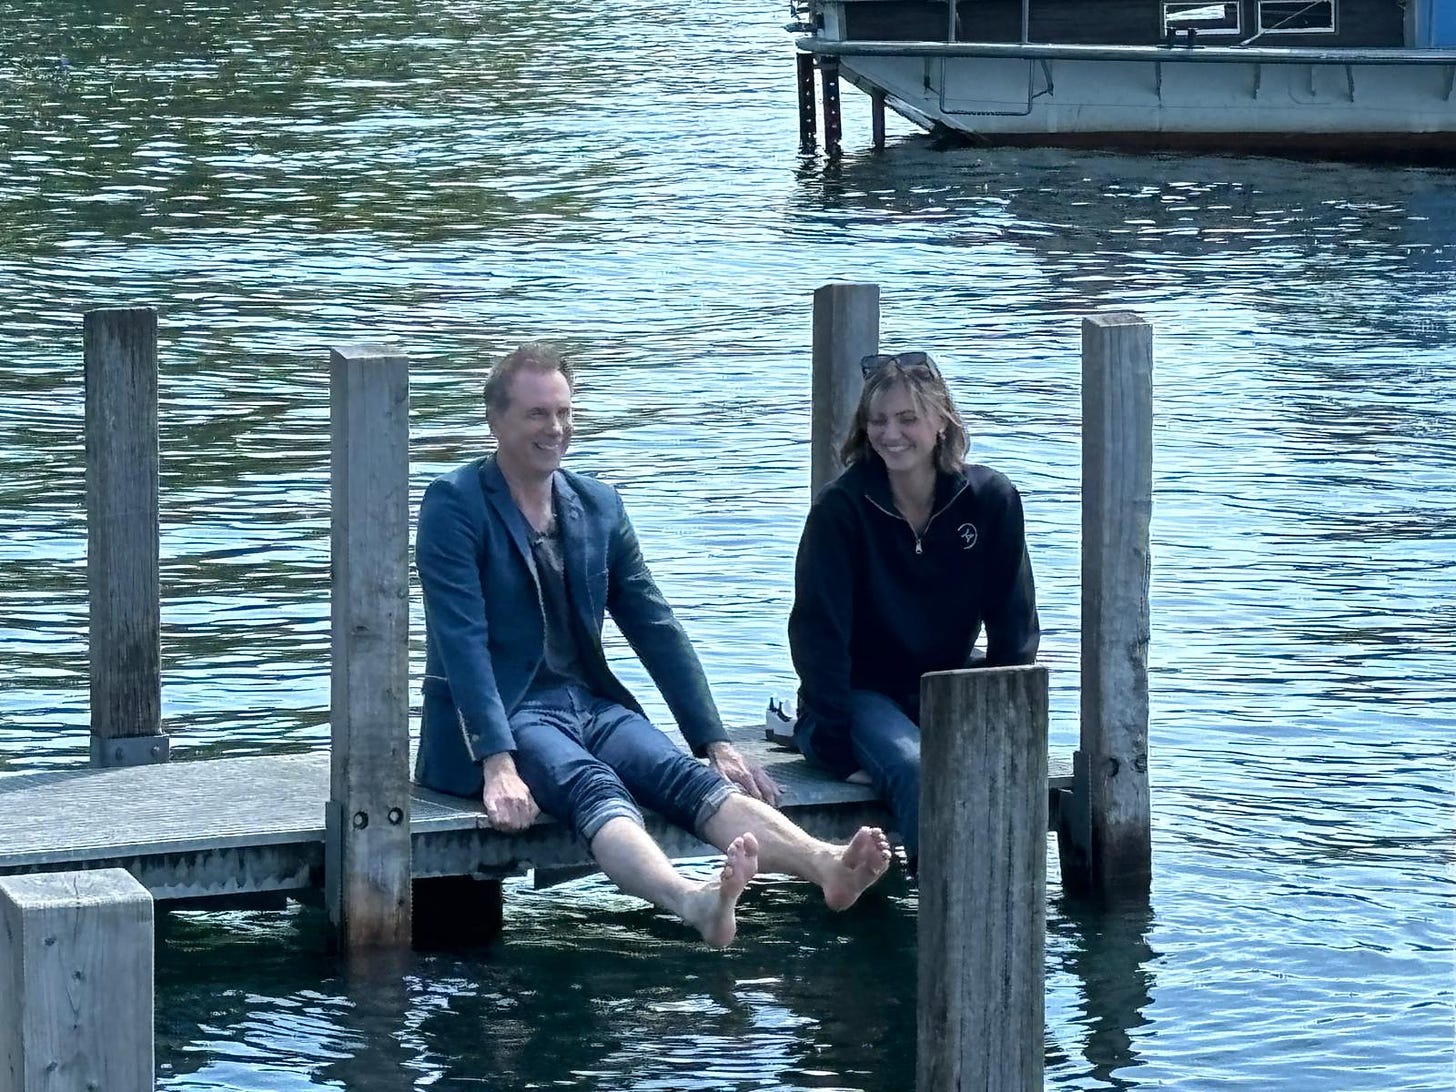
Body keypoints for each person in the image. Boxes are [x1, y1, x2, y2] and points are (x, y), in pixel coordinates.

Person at [414, 342, 890, 949]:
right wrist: (498, 764)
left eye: (563, 412)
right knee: (592, 785)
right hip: (506, 713)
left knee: (680, 774)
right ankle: (692, 901)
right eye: (536, 414)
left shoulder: (597, 505)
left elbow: (654, 625)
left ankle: (826, 866)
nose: (554, 428)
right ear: (496, 421)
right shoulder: (454, 504)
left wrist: (712, 738)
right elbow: (462, 641)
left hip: (586, 701)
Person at [788, 351, 1040, 868]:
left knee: (988, 773)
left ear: (942, 422)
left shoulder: (991, 499)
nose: (891, 434)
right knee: (920, 769)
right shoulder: (842, 510)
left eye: (907, 418)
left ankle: (1004, 899)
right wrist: (837, 750)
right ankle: (947, 912)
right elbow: (819, 636)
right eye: (878, 421)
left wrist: (1000, 728)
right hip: (857, 695)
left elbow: (1013, 628)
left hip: (946, 688)